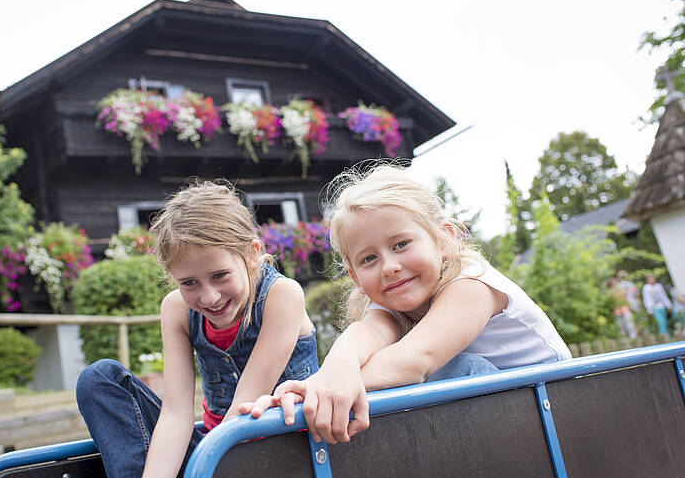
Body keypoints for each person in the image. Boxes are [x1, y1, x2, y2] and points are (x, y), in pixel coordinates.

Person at [240, 164, 571, 444]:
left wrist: (324, 389)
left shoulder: (472, 284)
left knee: (460, 370)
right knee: (373, 388)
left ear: (444, 239)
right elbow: (363, 335)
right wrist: (329, 375)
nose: (389, 266)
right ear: (354, 276)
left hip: (559, 418)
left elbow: (416, 360)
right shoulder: (392, 300)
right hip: (508, 423)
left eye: (401, 244)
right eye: (369, 258)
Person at [76, 181, 319, 478]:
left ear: (252, 253)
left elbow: (244, 411)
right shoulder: (176, 308)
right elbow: (176, 413)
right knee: (98, 379)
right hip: (210, 451)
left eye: (220, 275)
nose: (209, 296)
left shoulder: (282, 296)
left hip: (277, 452)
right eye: (189, 282)